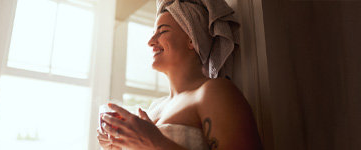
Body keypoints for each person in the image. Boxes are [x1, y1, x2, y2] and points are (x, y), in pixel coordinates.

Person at [97, 0, 260, 149]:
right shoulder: (155, 108)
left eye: (162, 31)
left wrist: (156, 142)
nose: (151, 41)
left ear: (192, 39)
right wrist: (118, 146)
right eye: (154, 32)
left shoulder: (214, 92)